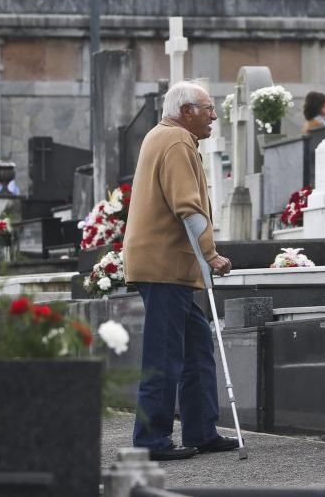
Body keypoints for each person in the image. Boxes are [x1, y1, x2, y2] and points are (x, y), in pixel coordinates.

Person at [124, 81, 237, 462]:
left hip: (168, 266)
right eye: (207, 109)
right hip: (164, 267)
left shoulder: (166, 137)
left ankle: (201, 430)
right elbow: (187, 207)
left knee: (196, 346)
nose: (214, 116)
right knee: (165, 353)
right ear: (186, 110)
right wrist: (211, 255)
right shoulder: (176, 142)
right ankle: (150, 440)